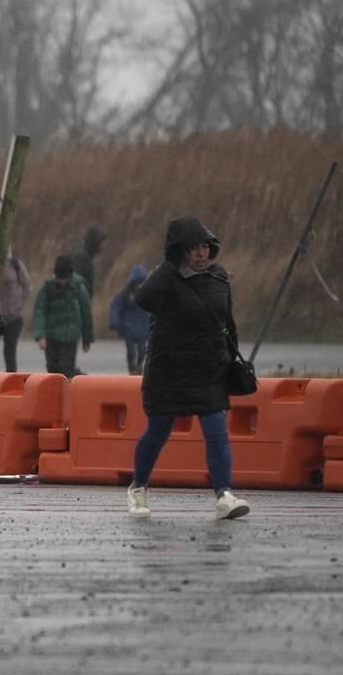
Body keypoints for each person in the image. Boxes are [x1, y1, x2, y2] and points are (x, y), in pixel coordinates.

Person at [125, 217, 251, 520]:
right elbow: (142, 299)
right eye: (194, 248)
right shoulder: (166, 280)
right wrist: (169, 266)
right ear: (179, 250)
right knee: (157, 433)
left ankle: (224, 495)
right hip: (168, 372)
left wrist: (232, 359)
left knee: (216, 433)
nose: (202, 253)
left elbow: (227, 322)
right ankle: (138, 487)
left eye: (206, 247)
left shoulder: (219, 277)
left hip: (209, 370)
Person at [32, 255, 93, 379]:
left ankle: (71, 386)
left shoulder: (79, 287)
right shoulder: (47, 287)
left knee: (66, 370)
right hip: (52, 335)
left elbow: (86, 313)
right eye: (60, 279)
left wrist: (87, 339)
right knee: (52, 368)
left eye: (65, 279)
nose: (62, 282)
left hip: (70, 336)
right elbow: (40, 311)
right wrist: (40, 336)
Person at [0, 248, 31, 372]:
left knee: (10, 353)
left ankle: (12, 382)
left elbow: (26, 287)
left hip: (14, 317)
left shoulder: (16, 265)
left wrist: (18, 305)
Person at [110, 264, 151, 375]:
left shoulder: (149, 294)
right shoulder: (124, 294)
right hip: (128, 328)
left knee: (143, 350)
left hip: (143, 328)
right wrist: (115, 321)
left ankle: (139, 366)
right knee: (131, 351)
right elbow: (116, 307)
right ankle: (132, 370)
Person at [71, 226, 106, 297]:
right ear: (95, 242)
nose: (103, 246)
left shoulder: (87, 258)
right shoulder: (82, 258)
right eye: (101, 243)